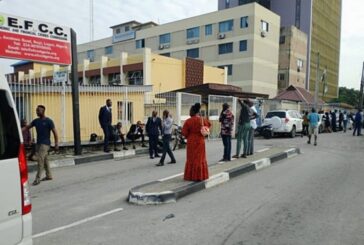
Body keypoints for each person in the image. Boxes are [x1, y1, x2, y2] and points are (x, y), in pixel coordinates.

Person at [23, 105, 59, 186]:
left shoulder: (49, 121)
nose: (37, 112)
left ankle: (37, 178)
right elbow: (27, 127)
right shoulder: (36, 121)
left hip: (45, 144)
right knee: (45, 160)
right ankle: (49, 176)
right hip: (38, 143)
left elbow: (55, 133)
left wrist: (56, 143)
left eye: (38, 110)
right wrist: (18, 131)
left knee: (40, 160)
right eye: (36, 110)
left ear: (43, 111)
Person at [182, 103, 211, 181]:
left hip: (191, 141)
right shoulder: (203, 120)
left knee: (191, 158)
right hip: (200, 141)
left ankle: (190, 176)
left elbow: (184, 132)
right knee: (200, 158)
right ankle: (200, 175)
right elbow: (209, 125)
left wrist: (188, 135)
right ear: (198, 111)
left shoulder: (188, 121)